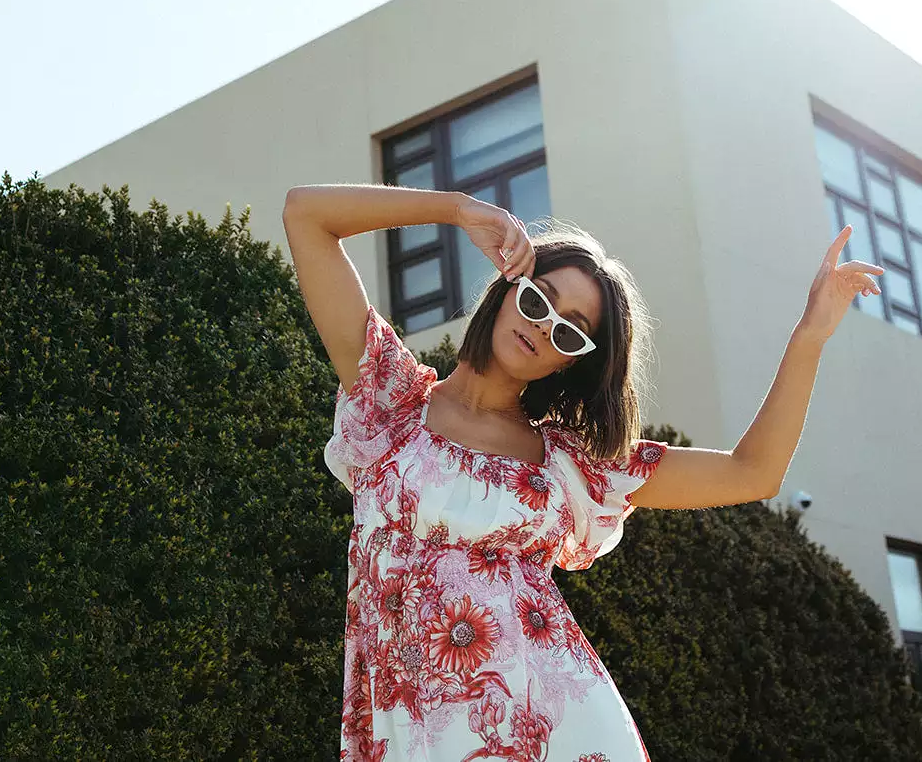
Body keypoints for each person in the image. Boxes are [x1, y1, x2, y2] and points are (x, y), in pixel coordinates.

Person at [281, 183, 880, 761]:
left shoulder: (573, 467)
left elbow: (753, 473)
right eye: (539, 300)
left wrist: (811, 336)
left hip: (561, 728)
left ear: (573, 361)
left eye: (569, 330)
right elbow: (306, 214)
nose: (543, 327)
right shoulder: (392, 402)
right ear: (508, 286)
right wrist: (458, 210)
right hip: (413, 729)